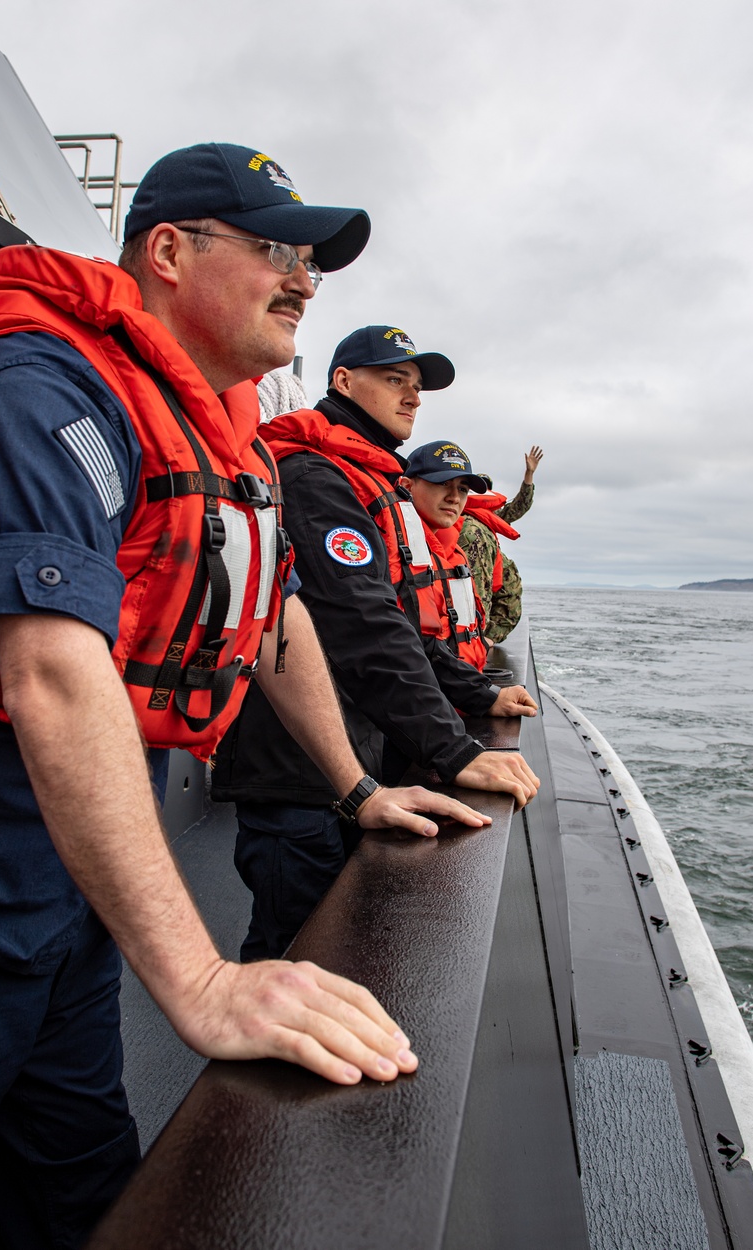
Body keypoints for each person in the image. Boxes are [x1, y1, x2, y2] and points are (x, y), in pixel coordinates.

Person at [0, 144, 489, 1249]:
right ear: (169, 250)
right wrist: (205, 976)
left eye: (311, 262)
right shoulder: (36, 389)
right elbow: (53, 671)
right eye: (275, 249)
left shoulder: (226, 432)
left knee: (82, 1190)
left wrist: (357, 786)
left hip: (73, 884)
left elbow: (275, 616)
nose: (305, 280)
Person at [213, 325, 540, 962]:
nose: (412, 398)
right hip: (296, 766)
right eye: (395, 380)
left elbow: (401, 620)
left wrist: (478, 692)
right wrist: (454, 751)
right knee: (296, 947)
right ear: (342, 381)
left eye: (417, 388)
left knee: (338, 939)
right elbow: (360, 620)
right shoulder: (315, 476)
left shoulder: (369, 479)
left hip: (344, 749)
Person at [400, 439, 491, 671]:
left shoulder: (453, 552)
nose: (455, 497)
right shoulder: (392, 552)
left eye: (462, 489)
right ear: (407, 486)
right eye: (442, 483)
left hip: (464, 692)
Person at [458, 445, 544, 644]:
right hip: (463, 567)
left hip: (490, 566)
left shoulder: (492, 514)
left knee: (508, 588)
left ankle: (485, 638)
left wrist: (529, 475)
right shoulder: (455, 509)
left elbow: (518, 507)